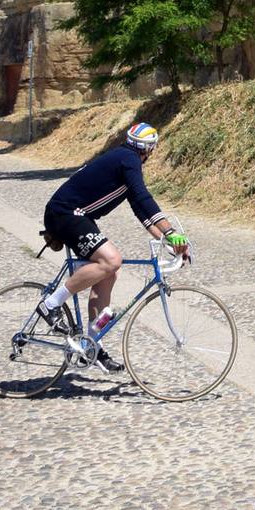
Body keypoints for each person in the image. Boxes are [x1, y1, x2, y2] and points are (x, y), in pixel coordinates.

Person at [38, 122, 189, 371]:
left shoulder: (124, 158)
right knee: (111, 260)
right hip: (66, 214)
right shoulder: (129, 160)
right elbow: (143, 197)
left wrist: (166, 240)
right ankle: (51, 304)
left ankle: (90, 346)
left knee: (110, 270)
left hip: (75, 215)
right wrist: (172, 233)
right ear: (150, 149)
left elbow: (140, 209)